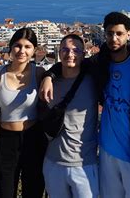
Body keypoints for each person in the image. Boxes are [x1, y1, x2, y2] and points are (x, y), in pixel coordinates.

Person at [41, 12, 130, 197]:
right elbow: (71, 62)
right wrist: (49, 76)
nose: (114, 38)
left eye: (119, 33)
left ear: (129, 33)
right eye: (110, 33)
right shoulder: (98, 63)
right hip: (107, 153)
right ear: (105, 34)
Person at [0, 27, 47, 198]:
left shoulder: (39, 73)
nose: (22, 51)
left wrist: (49, 78)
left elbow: (58, 71)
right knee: (4, 191)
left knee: (34, 191)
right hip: (6, 140)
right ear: (10, 48)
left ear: (34, 50)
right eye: (18, 46)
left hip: (34, 138)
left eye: (27, 47)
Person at [41, 34, 99, 198]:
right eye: (65, 49)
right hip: (53, 163)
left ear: (83, 54)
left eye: (75, 50)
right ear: (59, 53)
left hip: (84, 164)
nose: (70, 54)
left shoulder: (94, 80)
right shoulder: (50, 82)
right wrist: (48, 76)